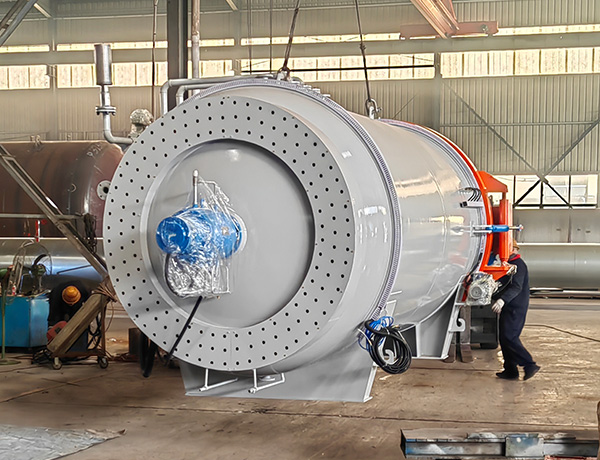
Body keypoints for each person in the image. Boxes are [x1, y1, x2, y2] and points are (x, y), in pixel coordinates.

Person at [491, 242, 540, 380]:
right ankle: (510, 370)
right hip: (508, 306)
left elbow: (516, 287)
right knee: (504, 338)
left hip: (515, 307)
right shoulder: (508, 264)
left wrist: (502, 300)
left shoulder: (518, 265)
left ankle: (529, 364)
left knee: (510, 337)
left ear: (512, 249)